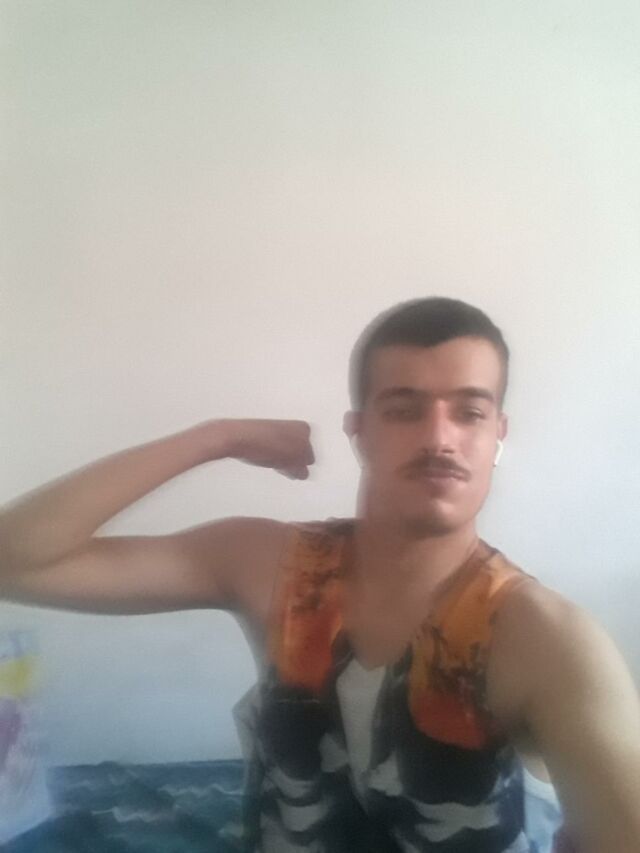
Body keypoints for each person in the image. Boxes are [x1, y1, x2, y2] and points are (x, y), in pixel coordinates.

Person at [1, 297, 638, 853]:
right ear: (359, 433)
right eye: (404, 410)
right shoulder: (274, 566)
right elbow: (15, 560)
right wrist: (215, 437)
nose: (439, 437)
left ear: (498, 433)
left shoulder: (543, 637)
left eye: (469, 413)